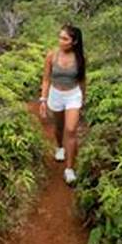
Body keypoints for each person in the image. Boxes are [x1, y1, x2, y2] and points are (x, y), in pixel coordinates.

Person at [38, 23, 86, 184]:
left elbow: (82, 80)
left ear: (74, 41)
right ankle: (60, 146)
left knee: (71, 130)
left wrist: (82, 100)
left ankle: (69, 169)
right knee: (59, 127)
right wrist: (43, 100)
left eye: (65, 38)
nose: (61, 41)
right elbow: (46, 79)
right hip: (56, 94)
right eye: (60, 37)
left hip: (73, 95)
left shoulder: (80, 58)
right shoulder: (52, 56)